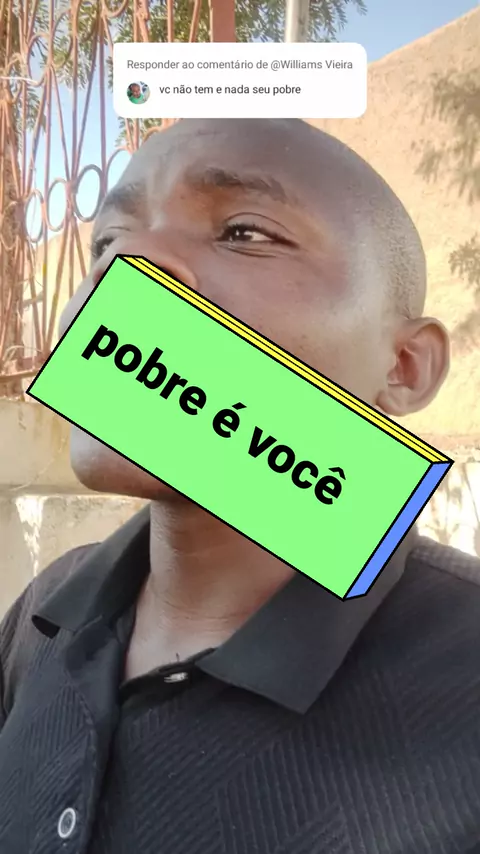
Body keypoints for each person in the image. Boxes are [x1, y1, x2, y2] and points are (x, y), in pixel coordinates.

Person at [0, 118, 479, 854]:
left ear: (406, 366)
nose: (124, 268)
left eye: (244, 233)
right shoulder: (42, 615)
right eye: (107, 241)